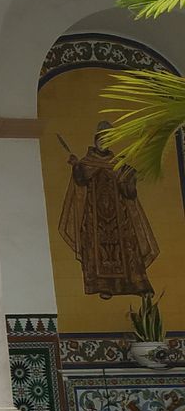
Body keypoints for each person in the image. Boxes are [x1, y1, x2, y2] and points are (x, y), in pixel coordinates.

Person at [59, 121, 159, 298]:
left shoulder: (118, 163)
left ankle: (138, 284)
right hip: (95, 215)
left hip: (119, 216)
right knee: (96, 249)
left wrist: (130, 176)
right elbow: (81, 181)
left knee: (128, 246)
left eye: (108, 140)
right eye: (101, 140)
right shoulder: (87, 163)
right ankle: (104, 286)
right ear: (96, 141)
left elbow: (129, 190)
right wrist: (76, 167)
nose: (104, 143)